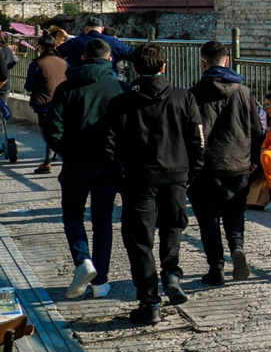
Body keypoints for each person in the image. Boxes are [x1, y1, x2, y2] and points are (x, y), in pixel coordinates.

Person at [103, 43, 204, 325]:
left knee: (139, 241)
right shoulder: (183, 98)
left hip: (138, 179)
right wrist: (189, 175)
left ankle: (149, 302)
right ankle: (171, 273)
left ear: (134, 68)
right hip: (176, 175)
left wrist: (118, 182)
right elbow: (198, 141)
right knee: (173, 227)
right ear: (164, 66)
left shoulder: (121, 103)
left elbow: (108, 149)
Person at [43, 38, 125, 300]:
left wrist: (66, 151)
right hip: (109, 165)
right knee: (103, 221)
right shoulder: (119, 88)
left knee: (72, 215)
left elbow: (52, 128)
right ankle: (100, 282)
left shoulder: (66, 88)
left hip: (76, 164)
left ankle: (83, 261)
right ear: (109, 59)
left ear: (81, 59)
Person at [189, 40, 264, 286]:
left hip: (205, 167)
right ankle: (237, 246)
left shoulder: (194, 93)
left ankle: (216, 269)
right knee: (234, 210)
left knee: (208, 219)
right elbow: (256, 129)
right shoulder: (243, 92)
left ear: (203, 63)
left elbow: (190, 132)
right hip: (237, 163)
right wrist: (253, 159)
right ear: (227, 61)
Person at [25, 31, 68, 174]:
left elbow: (28, 86)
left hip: (43, 104)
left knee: (47, 133)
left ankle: (48, 162)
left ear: (42, 47)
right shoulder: (64, 63)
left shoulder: (37, 63)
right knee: (60, 130)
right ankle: (52, 158)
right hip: (63, 103)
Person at [57, 17, 133, 66]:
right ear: (102, 29)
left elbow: (56, 53)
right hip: (107, 80)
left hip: (79, 82)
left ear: (86, 28)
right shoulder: (112, 41)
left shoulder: (74, 42)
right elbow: (131, 54)